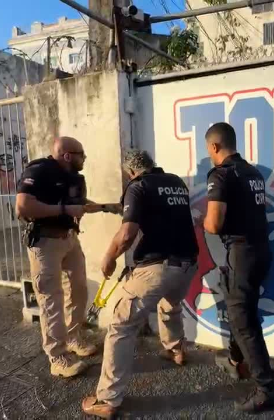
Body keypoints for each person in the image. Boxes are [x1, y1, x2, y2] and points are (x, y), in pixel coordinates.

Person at [82, 149, 199, 418]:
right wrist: (102, 207)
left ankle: (108, 399)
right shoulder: (175, 182)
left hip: (158, 267)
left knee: (121, 325)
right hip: (187, 264)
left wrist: (109, 257)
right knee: (170, 304)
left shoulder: (137, 187)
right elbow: (148, 208)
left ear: (130, 172)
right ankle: (176, 350)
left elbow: (127, 234)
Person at [16, 136, 120, 378]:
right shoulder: (39, 170)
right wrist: (64, 210)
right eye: (81, 154)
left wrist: (108, 207)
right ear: (67, 155)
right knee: (51, 299)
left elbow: (79, 204)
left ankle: (73, 337)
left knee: (78, 290)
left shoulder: (72, 176)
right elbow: (23, 206)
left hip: (69, 239)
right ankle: (58, 357)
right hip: (45, 243)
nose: (84, 158)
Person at [202, 122, 274, 413]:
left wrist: (202, 221)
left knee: (244, 320)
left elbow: (214, 224)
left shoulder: (220, 174)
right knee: (240, 310)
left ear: (214, 146)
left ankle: (266, 389)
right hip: (261, 251)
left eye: (209, 150)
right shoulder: (253, 172)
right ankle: (237, 360)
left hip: (242, 253)